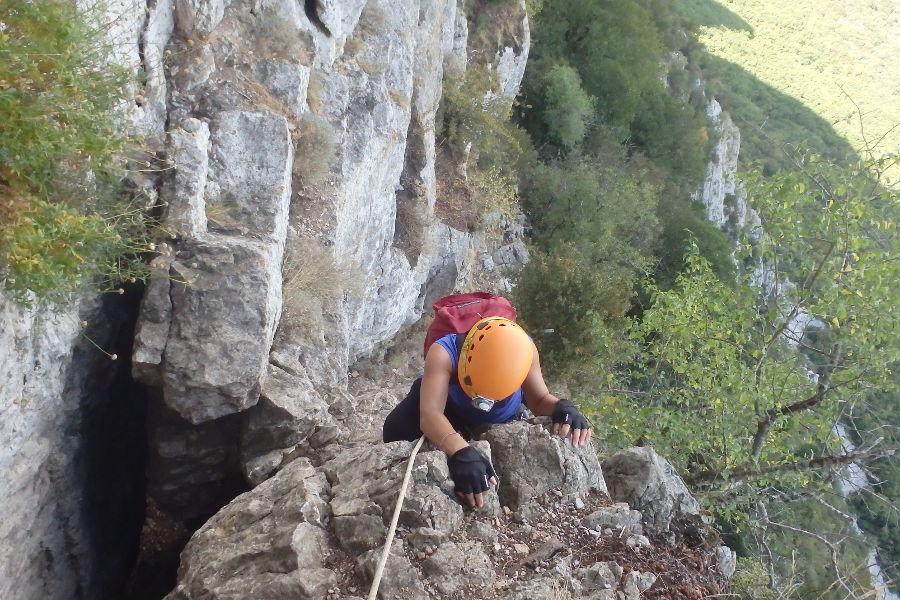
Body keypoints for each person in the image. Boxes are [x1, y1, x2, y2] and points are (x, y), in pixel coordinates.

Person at [382, 316, 591, 509]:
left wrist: (562, 407)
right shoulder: (444, 353)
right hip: (452, 409)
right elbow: (431, 414)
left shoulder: (524, 352)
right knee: (396, 429)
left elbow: (538, 400)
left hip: (504, 417)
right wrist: (460, 451)